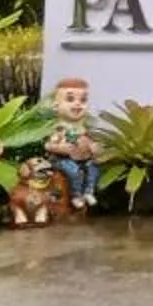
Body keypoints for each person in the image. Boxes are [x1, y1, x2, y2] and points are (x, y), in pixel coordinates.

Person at [48, 76, 99, 210]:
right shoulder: (60, 128)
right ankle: (76, 195)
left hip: (82, 158)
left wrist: (93, 147)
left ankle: (88, 192)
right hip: (62, 160)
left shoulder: (83, 128)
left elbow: (90, 141)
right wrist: (61, 148)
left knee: (94, 167)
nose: (78, 104)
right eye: (70, 99)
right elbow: (48, 145)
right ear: (56, 106)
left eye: (83, 100)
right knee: (73, 170)